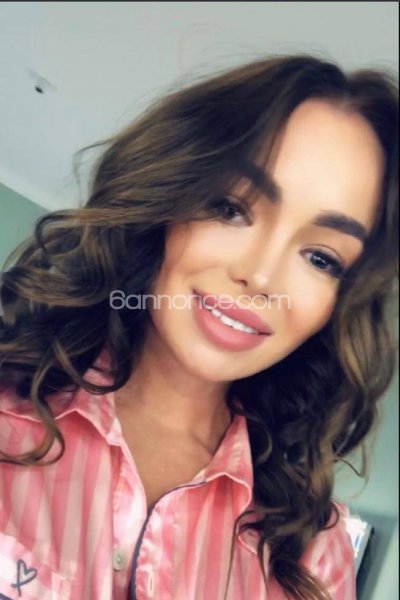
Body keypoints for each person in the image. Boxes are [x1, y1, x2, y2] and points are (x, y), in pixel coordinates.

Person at [0, 54, 398, 600]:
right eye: (231, 208)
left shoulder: (314, 553)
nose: (260, 275)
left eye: (321, 258)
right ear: (170, 197)